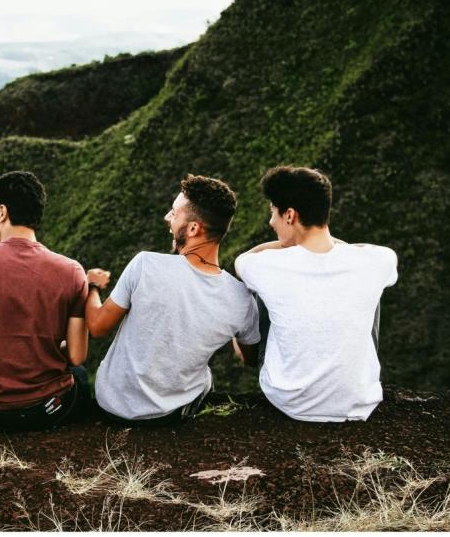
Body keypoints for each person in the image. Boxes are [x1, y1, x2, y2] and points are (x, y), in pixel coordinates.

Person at [86, 174, 260, 426]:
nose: (167, 217)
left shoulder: (145, 264)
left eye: (174, 213)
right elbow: (249, 359)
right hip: (170, 415)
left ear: (193, 228)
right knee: (205, 375)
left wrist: (92, 286)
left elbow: (97, 327)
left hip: (112, 405)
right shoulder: (241, 299)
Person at [234, 165, 398, 422]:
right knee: (368, 289)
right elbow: (371, 251)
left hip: (290, 401)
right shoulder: (378, 261)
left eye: (273, 213)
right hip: (357, 402)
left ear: (290, 215)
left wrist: (286, 244)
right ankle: (347, 376)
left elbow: (242, 261)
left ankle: (252, 360)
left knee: (259, 290)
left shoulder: (264, 265)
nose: (270, 222)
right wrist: (333, 246)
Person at [0, 170, 91, 432]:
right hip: (49, 411)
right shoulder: (72, 271)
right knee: (79, 376)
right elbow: (77, 355)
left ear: (2, 212)